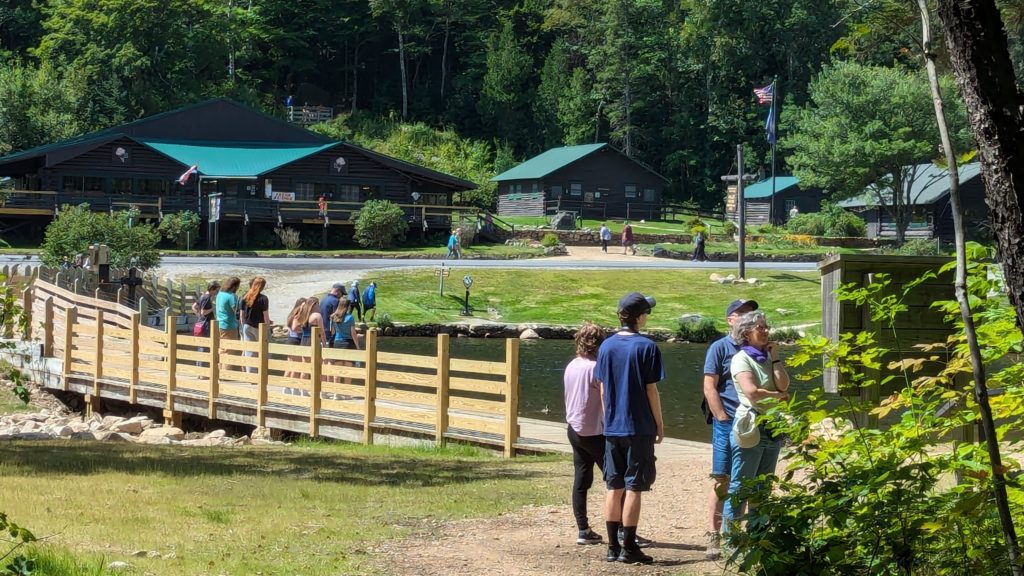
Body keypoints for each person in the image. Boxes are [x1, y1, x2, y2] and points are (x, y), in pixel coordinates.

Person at [595, 292, 664, 565]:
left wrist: (608, 418)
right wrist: (659, 423)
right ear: (639, 317)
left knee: (614, 485)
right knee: (634, 486)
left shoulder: (606, 347)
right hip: (639, 427)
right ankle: (630, 547)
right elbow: (651, 390)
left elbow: (602, 388)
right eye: (646, 312)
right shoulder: (647, 347)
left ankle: (612, 546)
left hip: (613, 427)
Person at [722, 310, 790, 534]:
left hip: (772, 428)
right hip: (751, 428)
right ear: (746, 332)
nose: (766, 331)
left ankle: (756, 539)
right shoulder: (741, 359)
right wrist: (775, 397)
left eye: (766, 327)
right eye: (760, 328)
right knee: (741, 486)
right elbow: (751, 392)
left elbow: (784, 385)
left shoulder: (769, 357)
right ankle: (731, 540)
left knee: (763, 488)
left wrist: (776, 357)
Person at [700, 299, 758, 559]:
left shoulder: (756, 348)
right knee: (722, 478)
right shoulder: (719, 348)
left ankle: (744, 535)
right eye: (741, 314)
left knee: (748, 480)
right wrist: (721, 417)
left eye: (751, 314)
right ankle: (714, 535)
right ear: (730, 319)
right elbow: (709, 386)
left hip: (752, 423)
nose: (747, 319)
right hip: (727, 422)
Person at [564, 321, 606, 546]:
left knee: (581, 480)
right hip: (596, 432)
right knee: (615, 480)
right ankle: (621, 530)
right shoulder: (597, 368)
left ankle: (583, 529)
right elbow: (604, 399)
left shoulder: (572, 365)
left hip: (574, 429)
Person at [239, 276, 270, 374]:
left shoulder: (244, 297)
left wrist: (243, 325)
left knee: (249, 351)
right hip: (259, 327)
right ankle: (262, 372)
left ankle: (251, 374)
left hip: (247, 326)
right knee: (263, 350)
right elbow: (265, 316)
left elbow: (241, 315)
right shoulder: (263, 299)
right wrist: (268, 327)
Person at [191, 281, 219, 369]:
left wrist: (199, 316)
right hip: (206, 325)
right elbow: (204, 312)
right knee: (205, 347)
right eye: (216, 290)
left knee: (200, 347)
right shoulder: (207, 298)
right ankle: (204, 372)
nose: (216, 293)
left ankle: (199, 370)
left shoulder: (202, 296)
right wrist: (213, 308)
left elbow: (194, 306)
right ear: (212, 289)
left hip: (200, 324)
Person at [215, 276, 241, 370]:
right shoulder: (231, 296)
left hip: (219, 324)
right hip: (229, 325)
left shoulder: (220, 294)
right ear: (234, 286)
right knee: (230, 348)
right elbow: (236, 311)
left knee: (222, 348)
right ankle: (226, 372)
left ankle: (219, 370)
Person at [284, 297, 307, 379]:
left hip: (290, 339)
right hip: (296, 340)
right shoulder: (298, 315)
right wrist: (304, 329)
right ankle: (293, 387)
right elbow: (294, 328)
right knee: (296, 367)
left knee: (290, 366)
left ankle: (286, 387)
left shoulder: (292, 314)